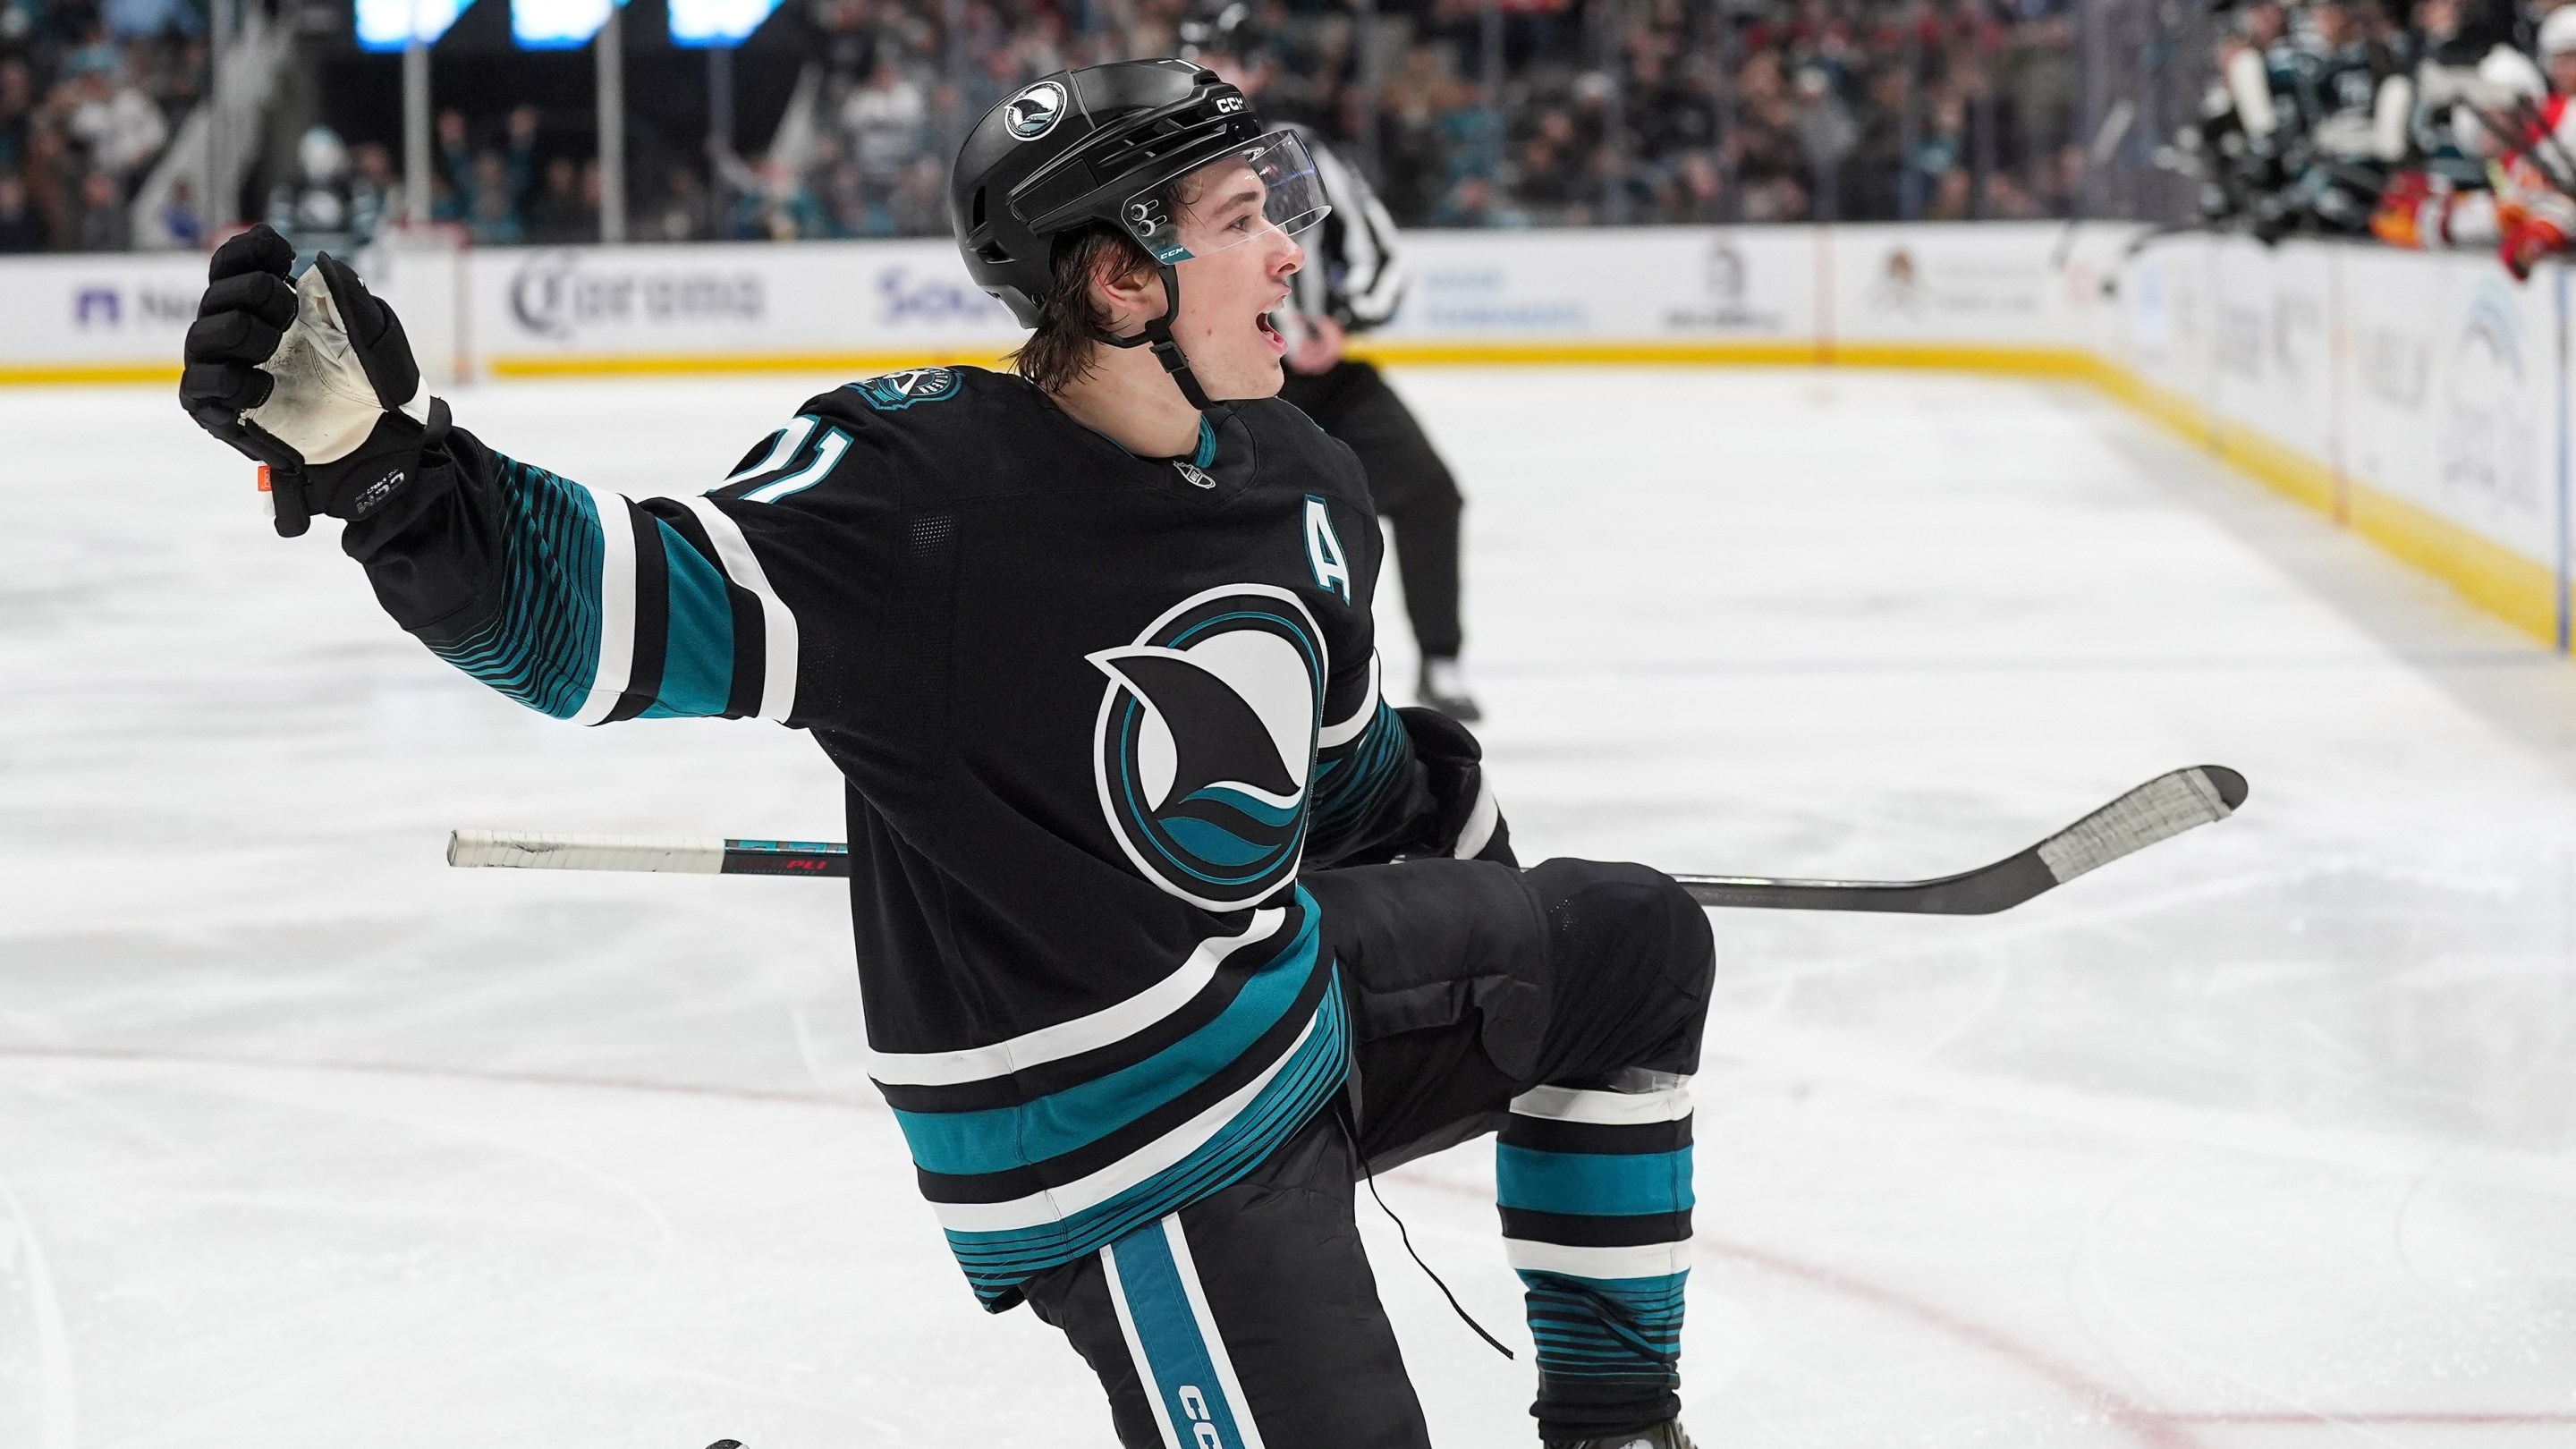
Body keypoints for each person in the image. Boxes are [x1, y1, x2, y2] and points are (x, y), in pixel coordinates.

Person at [175, 60, 1710, 1449]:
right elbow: (601, 621)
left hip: (1288, 998)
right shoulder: (918, 493)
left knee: (1634, 945)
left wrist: (1442, 805)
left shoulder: (1303, 477)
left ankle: (1616, 1428)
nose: (1292, 253)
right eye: (1245, 220)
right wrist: (386, 467)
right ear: (1121, 279)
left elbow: (1331, 778)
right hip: (1127, 1137)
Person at [1185, 3, 1489, 723]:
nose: (1210, 74)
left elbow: (1383, 255)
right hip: (1214, 384)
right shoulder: (1153, 166)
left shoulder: (1299, 154)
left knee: (1429, 494)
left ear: (1256, 70)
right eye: (1199, 59)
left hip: (1315, 378)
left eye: (1224, 60)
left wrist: (1342, 322)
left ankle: (1439, 663)